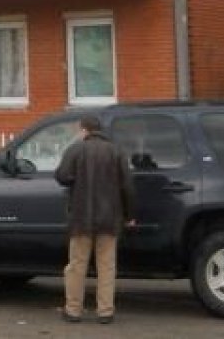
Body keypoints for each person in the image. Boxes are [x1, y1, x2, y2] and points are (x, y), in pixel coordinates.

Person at [54, 115, 135, 324]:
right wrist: (129, 215)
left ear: (84, 130)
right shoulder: (116, 151)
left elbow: (62, 176)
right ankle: (105, 311)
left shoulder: (76, 149)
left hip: (81, 218)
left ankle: (73, 310)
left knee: (76, 265)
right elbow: (127, 185)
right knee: (106, 266)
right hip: (110, 219)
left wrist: (76, 175)